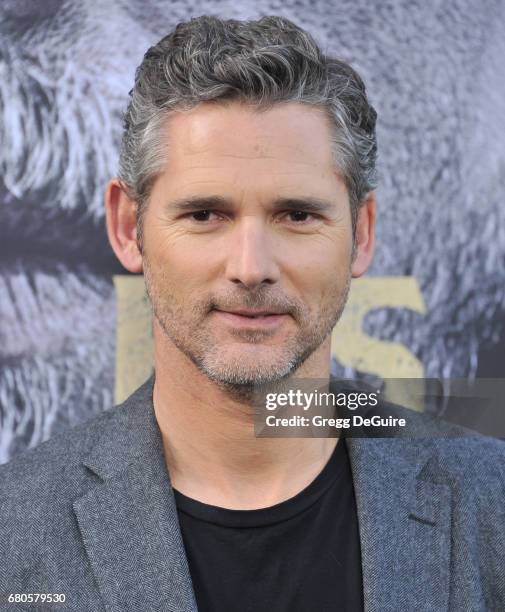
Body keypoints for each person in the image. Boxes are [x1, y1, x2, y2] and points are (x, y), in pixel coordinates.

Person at [1, 14, 504, 612]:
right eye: (204, 215)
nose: (250, 267)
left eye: (296, 215)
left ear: (362, 234)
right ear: (127, 227)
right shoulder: (15, 531)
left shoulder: (490, 504)